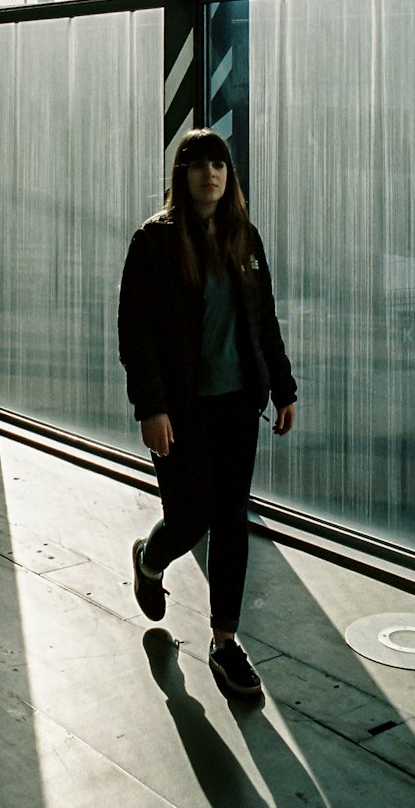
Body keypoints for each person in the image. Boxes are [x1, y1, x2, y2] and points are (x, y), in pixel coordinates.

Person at [118, 127, 297, 698]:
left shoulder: (244, 237)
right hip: (181, 410)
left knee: (230, 521)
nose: (210, 174)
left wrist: (284, 388)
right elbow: (135, 332)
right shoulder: (155, 241)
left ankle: (224, 642)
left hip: (239, 404)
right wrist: (151, 407)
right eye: (198, 165)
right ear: (182, 175)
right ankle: (151, 557)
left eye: (218, 164)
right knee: (190, 517)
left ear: (229, 175)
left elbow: (263, 320)